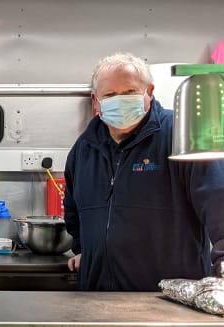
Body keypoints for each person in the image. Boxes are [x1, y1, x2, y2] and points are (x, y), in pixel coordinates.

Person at [63, 52, 224, 291]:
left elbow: (218, 202)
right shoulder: (84, 148)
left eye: (129, 93)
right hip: (97, 300)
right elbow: (74, 209)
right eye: (110, 95)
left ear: (149, 91)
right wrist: (82, 249)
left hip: (168, 300)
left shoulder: (181, 136)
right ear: (96, 101)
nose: (120, 100)